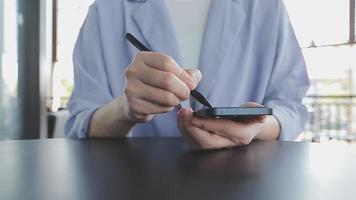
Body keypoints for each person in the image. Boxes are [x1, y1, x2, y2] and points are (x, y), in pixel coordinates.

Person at [65, 0, 310, 149]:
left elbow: (291, 107)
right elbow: (81, 124)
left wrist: (259, 127)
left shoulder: (267, 6)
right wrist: (125, 109)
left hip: (243, 182)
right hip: (136, 183)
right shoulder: (107, 9)